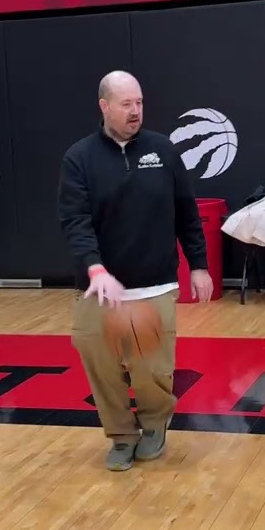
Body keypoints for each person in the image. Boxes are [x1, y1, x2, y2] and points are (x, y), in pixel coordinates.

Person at [56, 70, 212, 471]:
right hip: (99, 288)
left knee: (152, 371)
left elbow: (187, 212)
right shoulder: (79, 158)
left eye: (139, 103)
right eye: (126, 104)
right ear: (104, 106)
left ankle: (155, 425)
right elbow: (75, 221)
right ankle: (121, 436)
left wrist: (199, 265)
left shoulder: (164, 151)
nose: (135, 111)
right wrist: (95, 269)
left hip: (155, 284)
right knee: (103, 368)